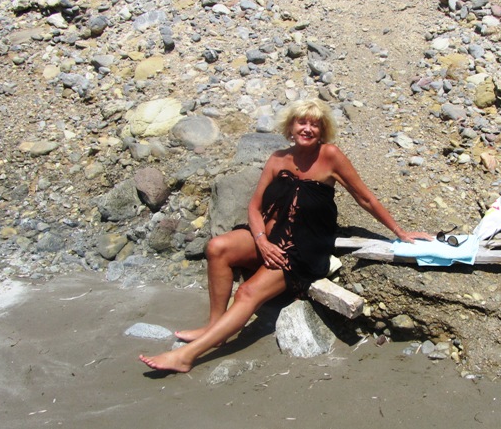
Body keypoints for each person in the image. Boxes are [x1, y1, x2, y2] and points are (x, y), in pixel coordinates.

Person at [139, 99, 432, 372]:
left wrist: (399, 232)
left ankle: (186, 357)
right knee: (217, 247)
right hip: (268, 238)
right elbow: (254, 207)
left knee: (247, 292)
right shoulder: (278, 158)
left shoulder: (330, 156)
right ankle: (215, 328)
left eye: (315, 124)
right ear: (290, 126)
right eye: (302, 122)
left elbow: (365, 198)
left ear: (323, 130)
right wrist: (261, 241)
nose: (308, 129)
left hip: (303, 248)